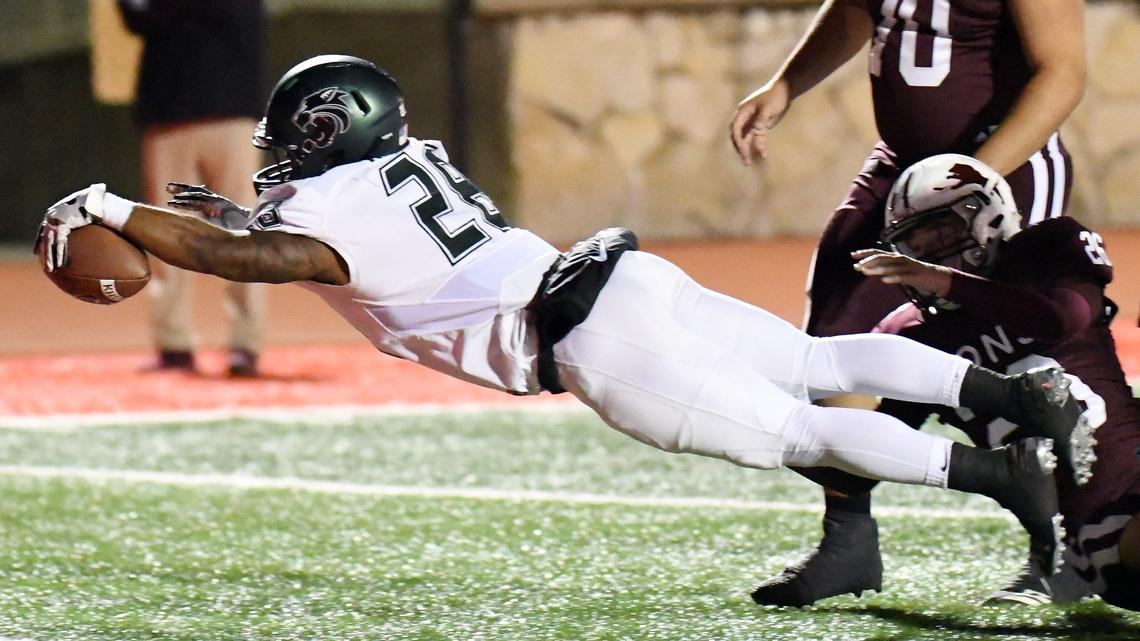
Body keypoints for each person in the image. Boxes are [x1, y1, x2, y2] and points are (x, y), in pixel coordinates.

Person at [40, 55, 1096, 588]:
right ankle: (1009, 397)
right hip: (623, 275)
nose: (277, 158)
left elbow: (257, 256)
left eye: (289, 140)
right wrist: (226, 217)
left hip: (587, 336)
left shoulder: (327, 209)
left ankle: (1003, 475)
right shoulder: (400, 167)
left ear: (326, 132)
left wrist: (104, 207)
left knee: (802, 431)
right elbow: (284, 239)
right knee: (816, 360)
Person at [750, 154, 1139, 612]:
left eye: (942, 233)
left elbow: (1062, 318)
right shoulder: (916, 335)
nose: (928, 256)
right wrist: (774, 429)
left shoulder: (1046, 251)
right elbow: (862, 458)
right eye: (915, 243)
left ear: (990, 217)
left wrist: (947, 282)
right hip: (1107, 522)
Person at [731, 0, 1087, 338]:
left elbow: (1063, 72)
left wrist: (969, 180)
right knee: (835, 333)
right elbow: (856, 9)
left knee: (999, 344)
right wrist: (787, 82)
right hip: (903, 165)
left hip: (1002, 174)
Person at [117, 0, 268, 376]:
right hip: (170, 115)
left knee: (241, 234)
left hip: (231, 114)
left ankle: (245, 345)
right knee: (168, 234)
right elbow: (138, 18)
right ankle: (174, 345)